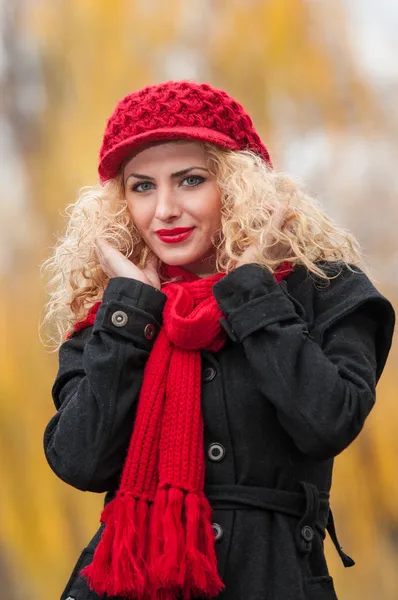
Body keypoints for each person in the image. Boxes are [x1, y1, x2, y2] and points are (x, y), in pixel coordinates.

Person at [41, 80, 395, 600]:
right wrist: (133, 307)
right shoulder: (110, 317)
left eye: (190, 180)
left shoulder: (325, 291)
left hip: (272, 580)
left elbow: (328, 421)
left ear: (238, 184)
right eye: (142, 186)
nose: (164, 209)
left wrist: (250, 294)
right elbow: (80, 462)